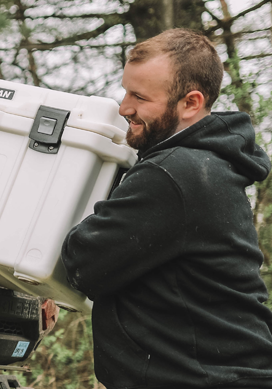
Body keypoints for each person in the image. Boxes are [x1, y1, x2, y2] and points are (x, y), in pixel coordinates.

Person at [62, 28, 272, 388]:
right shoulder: (209, 166)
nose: (125, 108)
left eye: (140, 97)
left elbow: (82, 263)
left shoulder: (174, 173)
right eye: (125, 91)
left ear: (190, 103)